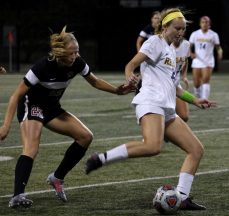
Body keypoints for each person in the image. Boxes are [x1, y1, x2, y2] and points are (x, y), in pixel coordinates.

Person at [85, 8, 216, 211]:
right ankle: (101, 158)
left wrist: (195, 100)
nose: (181, 33)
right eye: (177, 28)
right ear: (165, 27)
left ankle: (181, 197)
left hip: (166, 108)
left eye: (183, 29)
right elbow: (132, 64)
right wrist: (130, 76)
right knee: (153, 146)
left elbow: (175, 87)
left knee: (196, 150)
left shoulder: (172, 50)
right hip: (151, 102)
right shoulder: (155, 43)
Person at [0, 26, 134, 208]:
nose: (75, 56)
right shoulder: (43, 66)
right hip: (32, 105)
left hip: (52, 108)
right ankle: (17, 195)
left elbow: (94, 81)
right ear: (60, 52)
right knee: (31, 148)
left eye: (77, 52)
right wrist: (6, 126)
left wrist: (117, 90)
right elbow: (16, 95)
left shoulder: (77, 62)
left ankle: (57, 177)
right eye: (71, 53)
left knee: (85, 136)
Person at [189, 16, 223, 99]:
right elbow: (189, 46)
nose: (205, 24)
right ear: (200, 24)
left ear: (209, 24)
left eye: (207, 22)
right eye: (203, 22)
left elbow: (218, 47)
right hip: (197, 61)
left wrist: (220, 53)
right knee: (196, 84)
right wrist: (191, 53)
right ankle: (199, 97)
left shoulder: (214, 35)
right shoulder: (195, 34)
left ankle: (205, 100)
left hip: (208, 61)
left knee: (205, 81)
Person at [173, 35, 190, 122]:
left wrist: (184, 76)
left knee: (184, 116)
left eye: (182, 29)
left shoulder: (186, 44)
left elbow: (185, 60)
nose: (179, 32)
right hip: (161, 87)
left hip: (175, 85)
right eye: (177, 28)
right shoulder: (162, 45)